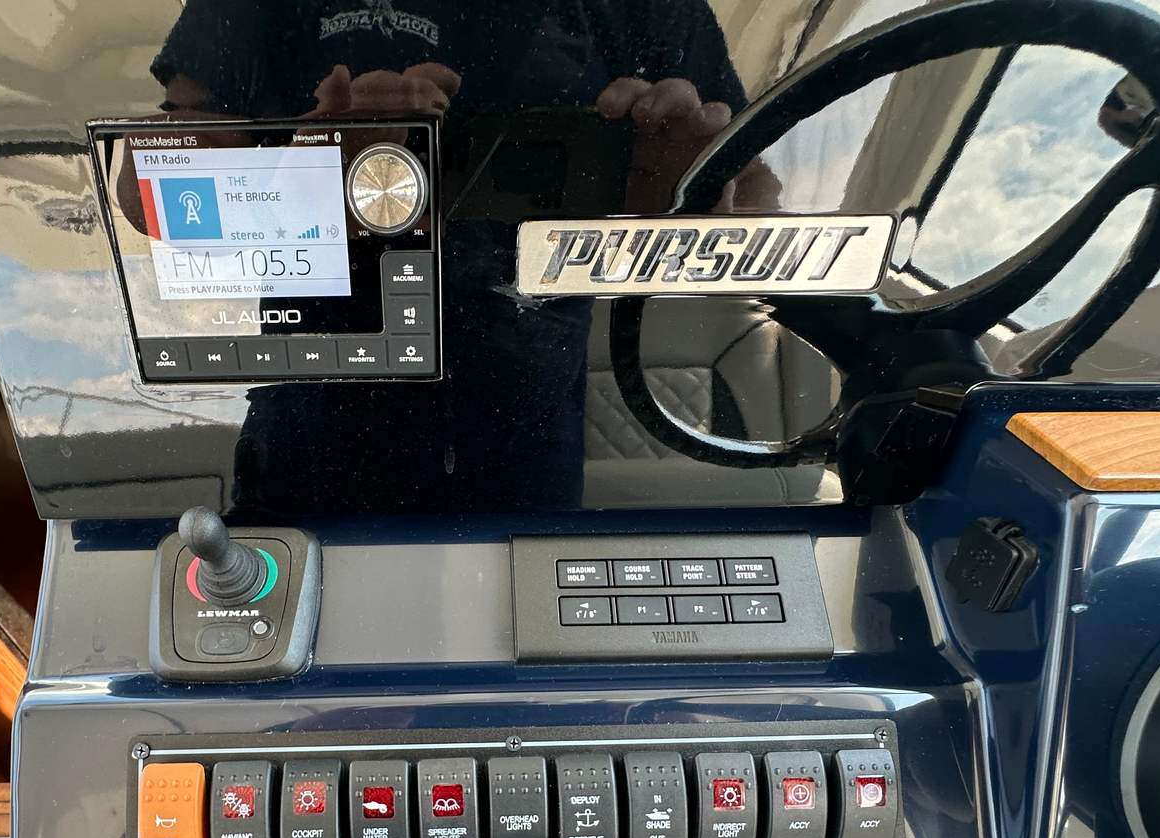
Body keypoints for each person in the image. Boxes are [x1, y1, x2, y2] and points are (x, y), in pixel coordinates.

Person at [143, 0, 758, 514]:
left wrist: (693, 194)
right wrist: (301, 188)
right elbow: (152, 188)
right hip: (311, 424)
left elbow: (759, 187)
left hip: (526, 435)